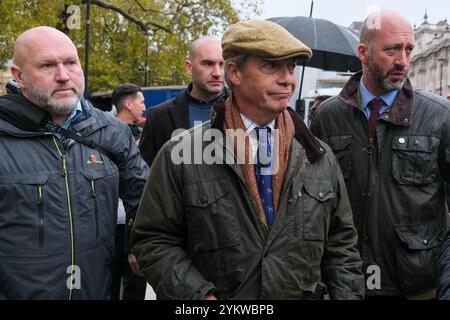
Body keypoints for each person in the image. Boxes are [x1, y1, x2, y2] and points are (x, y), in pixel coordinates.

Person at [131, 19, 364, 300]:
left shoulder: (318, 156)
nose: (287, 79)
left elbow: (342, 247)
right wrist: (199, 297)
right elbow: (153, 241)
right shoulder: (180, 154)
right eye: (271, 66)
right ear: (235, 73)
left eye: (291, 68)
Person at [310, 10, 450, 299]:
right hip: (346, 286)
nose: (403, 61)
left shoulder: (440, 117)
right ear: (363, 52)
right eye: (391, 50)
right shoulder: (327, 117)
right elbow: (315, 209)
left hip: (418, 287)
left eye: (409, 49)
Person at [0, 26, 148, 299]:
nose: (64, 76)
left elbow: (145, 198)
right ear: (18, 76)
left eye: (70, 63)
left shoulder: (113, 131)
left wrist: (139, 244)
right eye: (47, 66)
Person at [139, 36, 228, 167]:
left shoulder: (245, 110)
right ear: (189, 67)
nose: (217, 73)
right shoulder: (159, 117)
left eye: (221, 64)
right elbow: (146, 173)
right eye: (208, 64)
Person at [110, 83, 147, 300]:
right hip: (110, 223)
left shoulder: (146, 133)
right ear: (128, 104)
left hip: (137, 220)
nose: (144, 107)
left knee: (136, 283)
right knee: (109, 283)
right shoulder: (102, 134)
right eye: (141, 102)